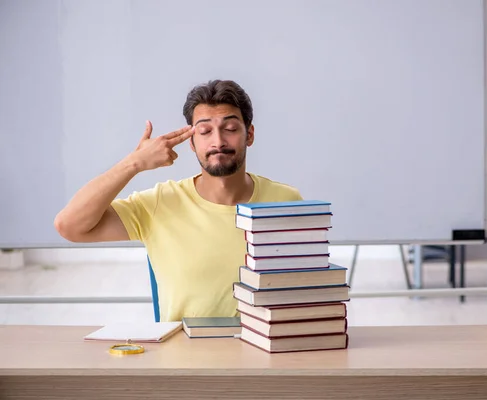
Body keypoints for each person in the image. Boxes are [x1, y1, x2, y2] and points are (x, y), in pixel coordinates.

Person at [54, 79, 303, 321]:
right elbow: (70, 226)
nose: (218, 141)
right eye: (205, 131)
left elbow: (302, 294)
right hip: (184, 359)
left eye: (230, 129)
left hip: (265, 357)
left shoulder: (287, 202)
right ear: (192, 143)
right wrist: (134, 163)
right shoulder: (159, 203)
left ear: (249, 134)